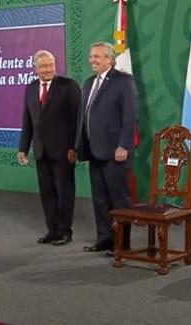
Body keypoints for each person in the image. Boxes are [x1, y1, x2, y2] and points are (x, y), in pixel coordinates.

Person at [76, 42, 138, 256]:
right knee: (100, 198)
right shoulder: (88, 82)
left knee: (119, 200)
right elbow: (83, 118)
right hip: (94, 151)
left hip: (115, 152)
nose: (92, 60)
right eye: (91, 56)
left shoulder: (123, 81)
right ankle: (104, 238)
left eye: (97, 57)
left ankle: (123, 243)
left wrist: (124, 145)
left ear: (110, 59)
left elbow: (130, 117)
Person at [18, 50, 81, 246]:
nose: (47, 70)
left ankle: (65, 231)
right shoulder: (30, 89)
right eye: (43, 66)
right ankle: (52, 230)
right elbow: (28, 121)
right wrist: (23, 148)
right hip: (40, 150)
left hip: (63, 151)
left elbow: (77, 120)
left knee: (64, 192)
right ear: (35, 68)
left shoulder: (68, 86)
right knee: (47, 193)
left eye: (50, 65)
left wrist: (74, 147)